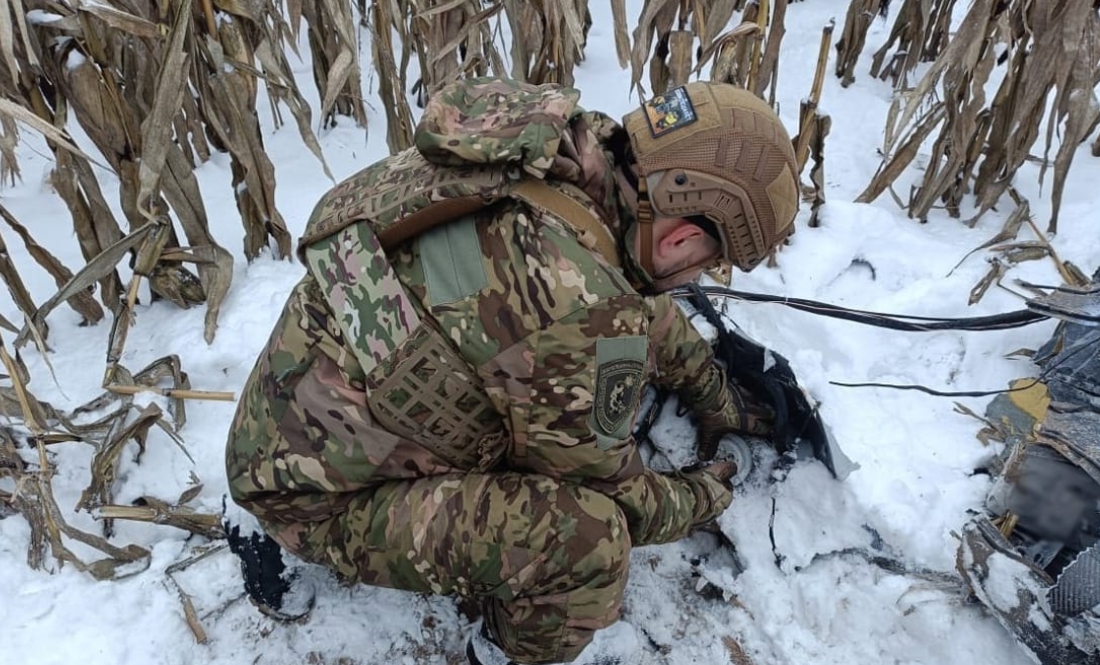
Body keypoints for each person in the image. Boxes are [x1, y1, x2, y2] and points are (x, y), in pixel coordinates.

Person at [225, 77, 799, 665]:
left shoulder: (555, 150)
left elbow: (631, 297)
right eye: (710, 262)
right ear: (681, 238)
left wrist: (709, 389)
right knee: (588, 545)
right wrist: (706, 493)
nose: (700, 279)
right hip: (314, 498)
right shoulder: (584, 307)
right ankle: (499, 653)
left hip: (284, 406)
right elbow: (616, 496)